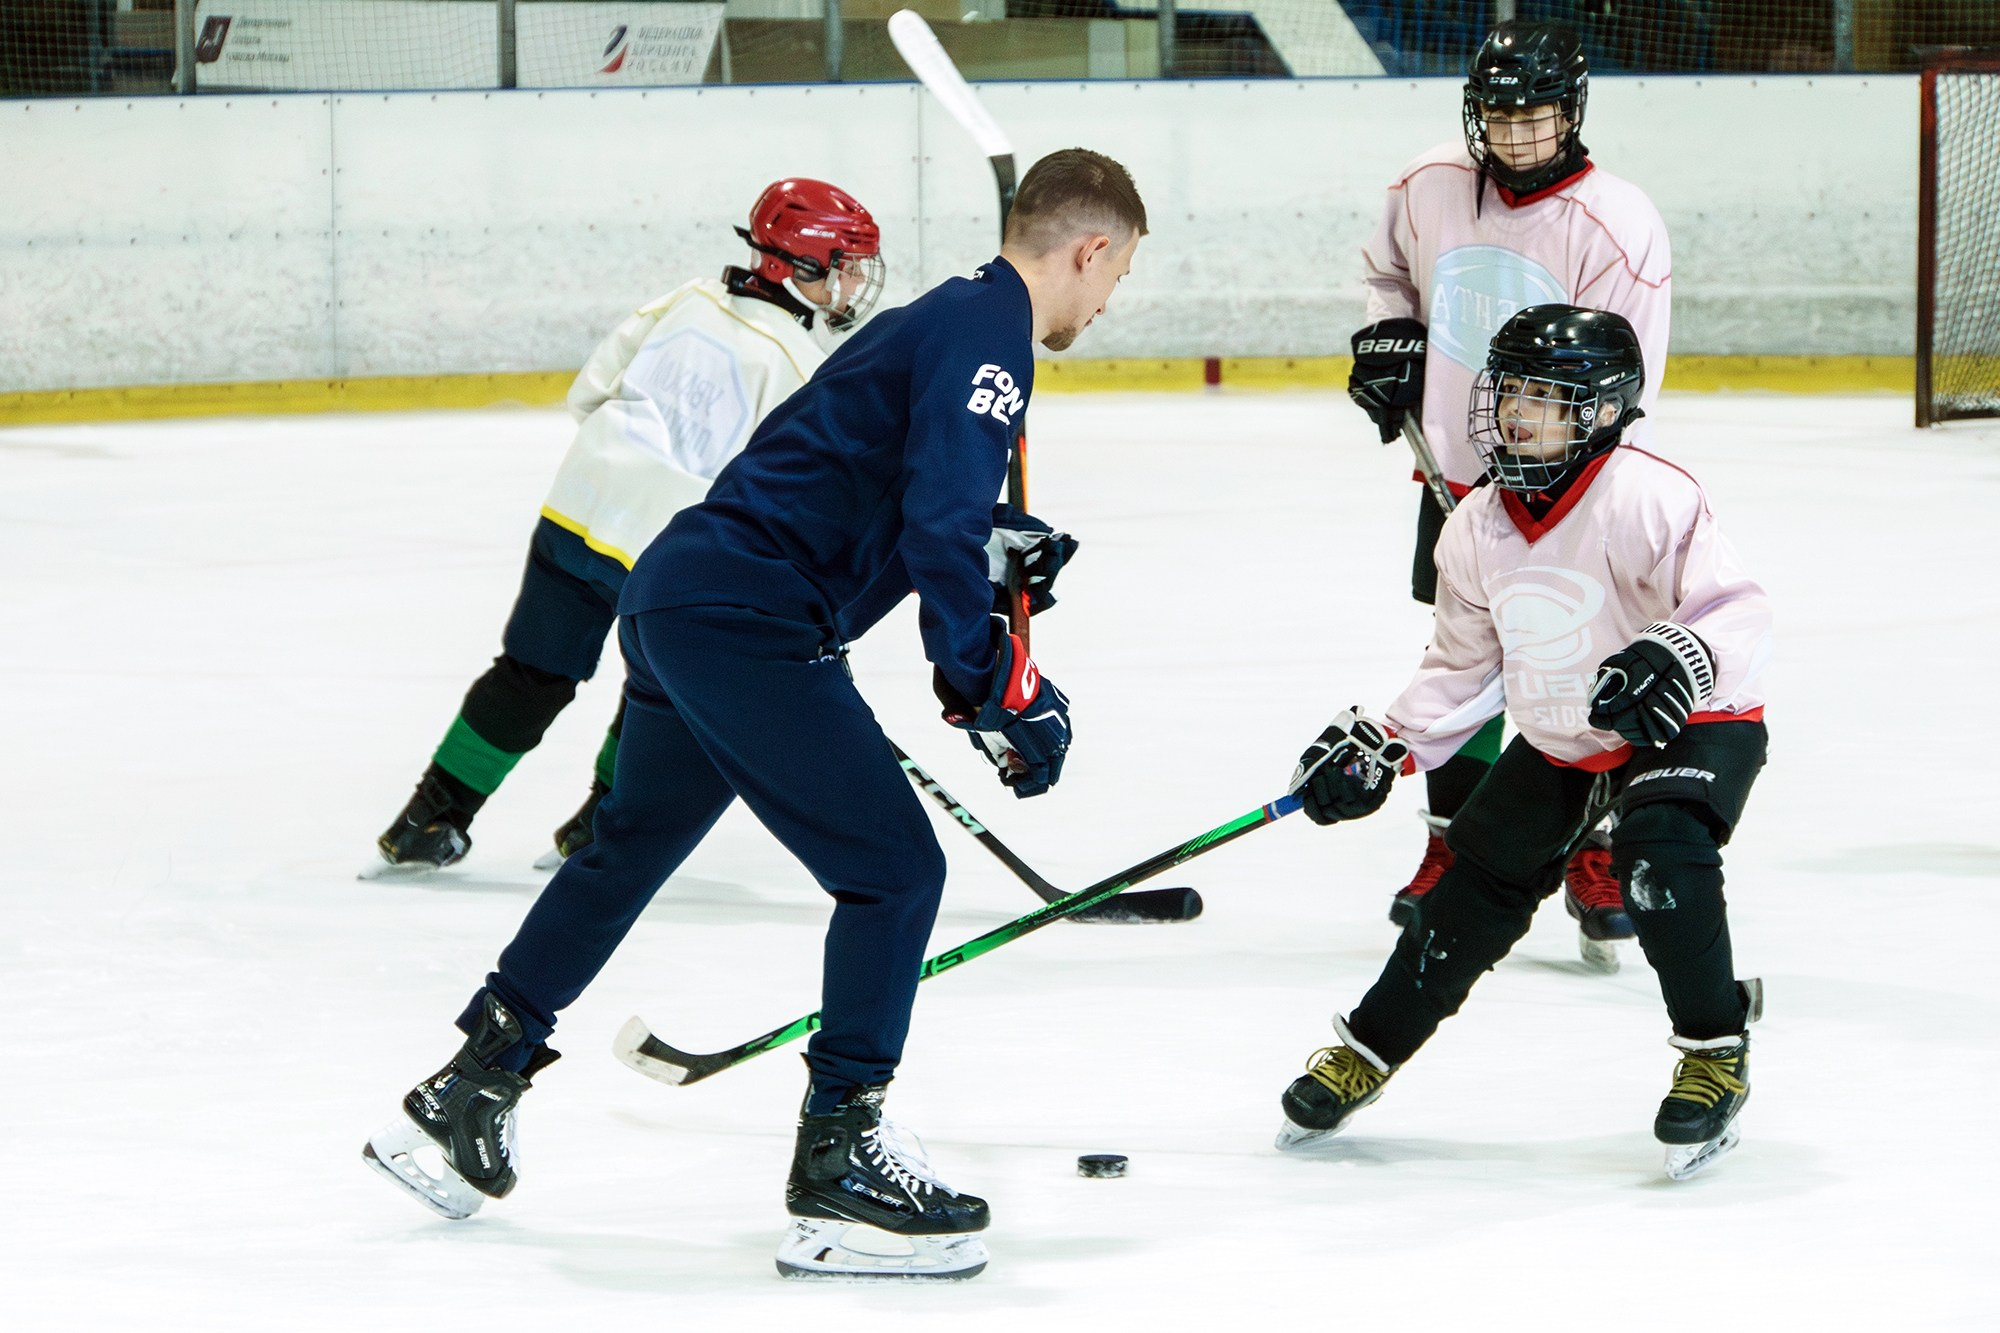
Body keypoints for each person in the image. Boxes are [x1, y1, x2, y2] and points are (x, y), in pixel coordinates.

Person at [361, 148, 1147, 1280]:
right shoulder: (990, 341)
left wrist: (988, 568)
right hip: (746, 616)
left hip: (684, 593)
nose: (1110, 301)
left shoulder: (948, 317)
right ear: (1092, 249)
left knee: (625, 848)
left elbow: (914, 503)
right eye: (1116, 278)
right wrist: (988, 684)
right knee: (894, 873)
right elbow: (936, 521)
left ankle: (468, 1085)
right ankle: (840, 1166)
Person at [1280, 305, 1769, 1181]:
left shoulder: (1651, 495)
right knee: (1469, 890)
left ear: (1606, 411)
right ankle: (1368, 1047)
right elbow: (1461, 666)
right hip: (1562, 734)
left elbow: (1734, 608)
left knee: (1660, 861)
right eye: (1508, 391)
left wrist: (1677, 654)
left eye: (1546, 397)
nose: (1515, 413)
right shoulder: (1475, 524)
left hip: (1690, 716)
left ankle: (1713, 1049)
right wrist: (1386, 746)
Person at [363, 178, 884, 878]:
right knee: (660, 688)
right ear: (796, 265)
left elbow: (589, 391)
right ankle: (597, 826)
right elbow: (779, 493)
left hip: (576, 509)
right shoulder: (796, 365)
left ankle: (428, 817)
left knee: (531, 672)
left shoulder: (686, 299)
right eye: (845, 264)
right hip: (663, 553)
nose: (854, 283)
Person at [1346, 20, 1672, 965]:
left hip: (1573, 490)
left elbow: (1628, 371)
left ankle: (1594, 844)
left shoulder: (1617, 222)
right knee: (1465, 656)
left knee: (1576, 664)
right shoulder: (1428, 184)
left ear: (1571, 113)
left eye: (1535, 117)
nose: (1516, 135)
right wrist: (1388, 340)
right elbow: (1389, 279)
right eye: (1498, 114)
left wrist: (1569, 477)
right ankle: (1453, 842)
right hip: (1453, 474)